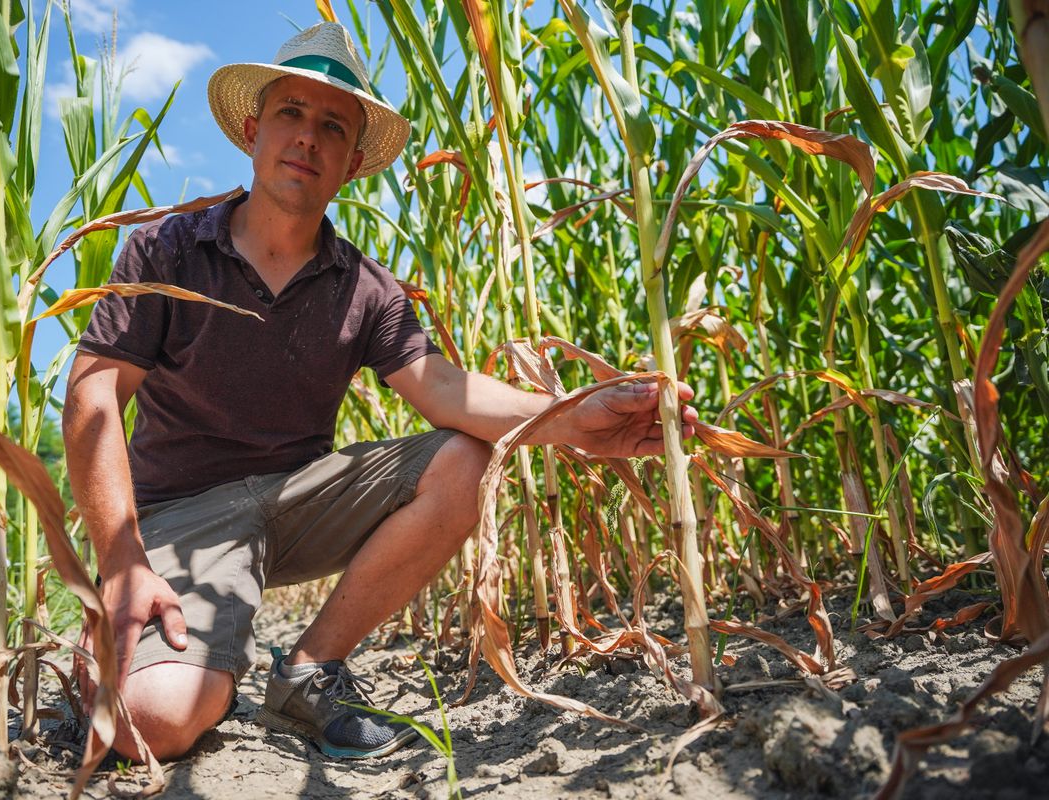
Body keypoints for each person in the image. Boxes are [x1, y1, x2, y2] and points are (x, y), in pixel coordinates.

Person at [63, 21, 697, 763]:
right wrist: (123, 559)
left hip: (299, 499)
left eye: (332, 126)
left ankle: (306, 674)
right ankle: (113, 646)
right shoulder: (167, 250)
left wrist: (578, 419)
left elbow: (447, 395)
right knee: (156, 723)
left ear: (352, 161)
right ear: (250, 130)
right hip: (179, 516)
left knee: (462, 456)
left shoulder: (365, 288)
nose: (308, 138)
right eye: (291, 115)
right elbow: (93, 396)